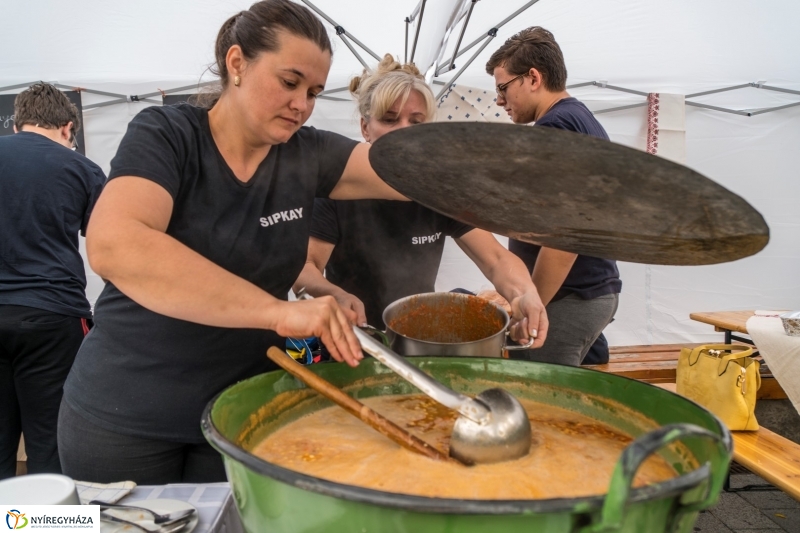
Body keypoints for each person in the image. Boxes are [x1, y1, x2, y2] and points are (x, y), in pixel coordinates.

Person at [57, 1, 546, 484]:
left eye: (313, 91)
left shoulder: (306, 155)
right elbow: (116, 245)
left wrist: (539, 181)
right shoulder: (168, 136)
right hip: (124, 415)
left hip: (241, 409)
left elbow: (417, 176)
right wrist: (278, 312)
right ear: (237, 64)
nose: (302, 104)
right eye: (289, 83)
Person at [293, 55, 548, 341]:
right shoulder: (339, 190)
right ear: (366, 128)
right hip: (356, 340)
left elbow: (496, 259)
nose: (404, 132)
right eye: (390, 119)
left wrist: (525, 293)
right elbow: (304, 267)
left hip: (418, 338)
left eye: (416, 122)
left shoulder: (436, 190)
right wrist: (334, 294)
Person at [485, 27, 622, 367]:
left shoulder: (555, 128)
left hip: (571, 297)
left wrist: (532, 307)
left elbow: (564, 237)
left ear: (533, 77)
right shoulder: (579, 118)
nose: (500, 100)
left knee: (543, 404)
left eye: (503, 88)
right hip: (587, 293)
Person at [0, 83, 106, 479]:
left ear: (17, 125)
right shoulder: (82, 168)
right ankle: (52, 522)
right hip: (52, 315)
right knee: (50, 446)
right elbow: (109, 248)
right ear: (67, 128)